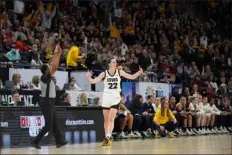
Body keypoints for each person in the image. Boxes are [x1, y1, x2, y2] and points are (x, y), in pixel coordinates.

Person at [86, 58, 143, 146]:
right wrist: (88, 77)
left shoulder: (119, 72)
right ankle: (107, 137)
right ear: (109, 64)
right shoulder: (104, 74)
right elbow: (93, 81)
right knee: (106, 120)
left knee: (112, 118)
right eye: (113, 62)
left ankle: (108, 136)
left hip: (115, 96)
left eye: (115, 62)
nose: (115, 63)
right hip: (106, 97)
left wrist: (139, 72)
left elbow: (131, 77)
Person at [30, 43, 67, 149]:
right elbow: (55, 66)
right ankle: (35, 141)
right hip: (46, 102)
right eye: (48, 67)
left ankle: (59, 141)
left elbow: (54, 65)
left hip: (49, 101)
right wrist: (57, 54)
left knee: (54, 122)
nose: (50, 67)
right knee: (48, 125)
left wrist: (57, 55)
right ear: (46, 70)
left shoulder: (46, 77)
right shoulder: (44, 77)